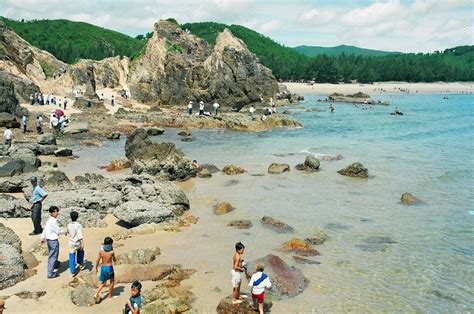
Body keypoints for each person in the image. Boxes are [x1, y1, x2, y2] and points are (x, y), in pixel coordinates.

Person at [40, 206, 62, 278]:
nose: (57, 213)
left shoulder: (49, 221)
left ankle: (55, 264)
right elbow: (58, 230)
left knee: (53, 253)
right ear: (52, 213)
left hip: (49, 240)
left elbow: (45, 230)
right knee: (53, 256)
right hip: (53, 240)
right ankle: (50, 273)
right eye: (56, 212)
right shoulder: (53, 221)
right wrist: (65, 231)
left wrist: (43, 238)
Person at [95, 237, 116, 303]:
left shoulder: (101, 251)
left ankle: (96, 293)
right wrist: (114, 257)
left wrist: (96, 267)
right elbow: (114, 260)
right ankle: (110, 296)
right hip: (109, 268)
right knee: (112, 282)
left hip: (103, 268)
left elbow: (98, 260)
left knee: (103, 282)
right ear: (110, 244)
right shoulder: (111, 252)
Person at [67, 211, 85, 277]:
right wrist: (82, 243)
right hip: (77, 242)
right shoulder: (78, 225)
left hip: (71, 242)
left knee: (72, 256)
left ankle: (72, 271)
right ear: (77, 217)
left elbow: (68, 231)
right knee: (81, 251)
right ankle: (80, 264)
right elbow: (80, 234)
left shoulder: (69, 224)